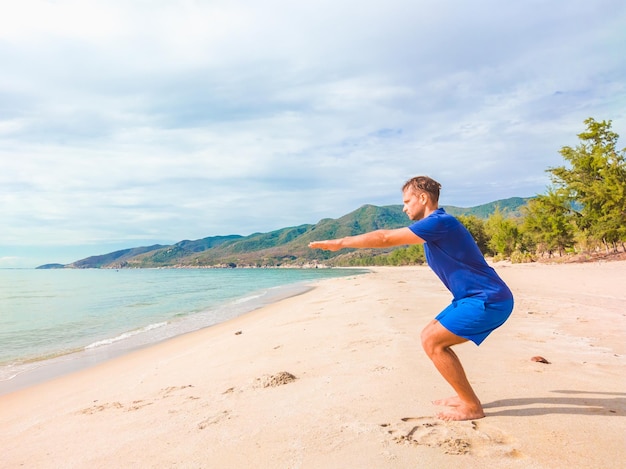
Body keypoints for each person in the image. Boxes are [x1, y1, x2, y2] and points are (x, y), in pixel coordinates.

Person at [308, 176, 514, 421]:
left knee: (433, 342)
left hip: (488, 299)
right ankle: (464, 397)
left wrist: (340, 243)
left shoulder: (441, 222)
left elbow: (384, 238)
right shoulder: (436, 227)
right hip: (473, 298)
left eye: (407, 201)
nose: (404, 208)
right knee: (430, 336)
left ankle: (472, 406)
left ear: (423, 198)